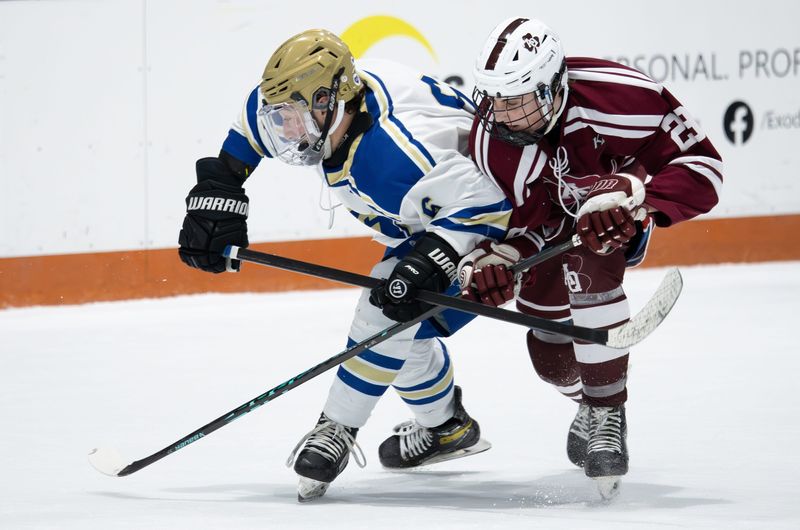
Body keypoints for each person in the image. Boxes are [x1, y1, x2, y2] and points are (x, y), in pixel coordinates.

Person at [177, 29, 511, 501]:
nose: (286, 130)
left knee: (386, 306)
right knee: (404, 337)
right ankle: (449, 429)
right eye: (282, 118)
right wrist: (223, 188)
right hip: (438, 209)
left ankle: (335, 430)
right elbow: (253, 121)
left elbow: (489, 202)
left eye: (291, 119)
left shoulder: (392, 154)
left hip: (494, 228)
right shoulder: (324, 101)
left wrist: (434, 256)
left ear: (329, 101)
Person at [457, 17, 722, 495]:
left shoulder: (623, 99)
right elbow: (521, 223)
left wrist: (640, 201)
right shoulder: (490, 139)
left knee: (593, 251)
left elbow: (705, 169)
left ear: (553, 87)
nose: (502, 114)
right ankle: (592, 393)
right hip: (553, 224)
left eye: (515, 100)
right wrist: (494, 263)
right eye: (494, 99)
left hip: (614, 214)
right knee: (548, 354)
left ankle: (607, 410)